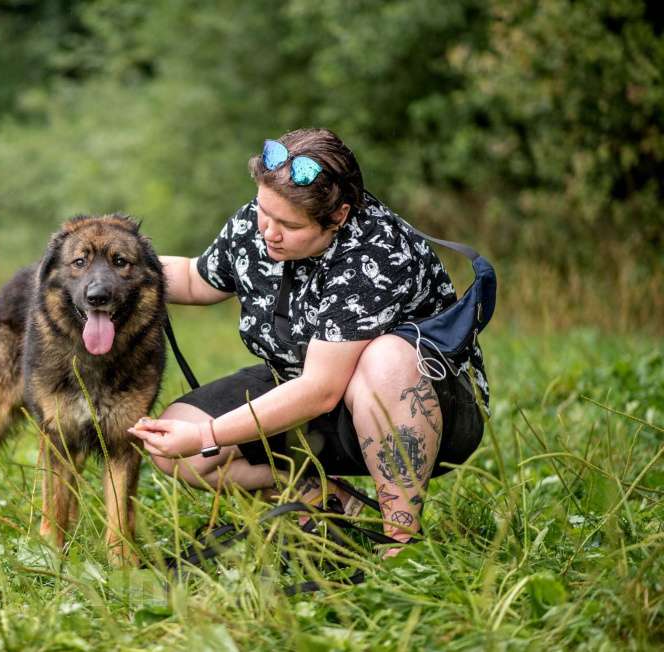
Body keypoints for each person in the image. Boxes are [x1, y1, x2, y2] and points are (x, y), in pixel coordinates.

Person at [128, 128, 488, 555]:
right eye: (264, 211)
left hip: (427, 409)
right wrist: (112, 270)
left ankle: (400, 541)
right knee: (177, 449)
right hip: (303, 386)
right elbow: (194, 278)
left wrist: (208, 433)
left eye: (289, 225)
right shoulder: (255, 223)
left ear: (338, 216)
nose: (269, 232)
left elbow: (321, 390)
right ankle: (330, 503)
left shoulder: (376, 251)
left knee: (386, 358)